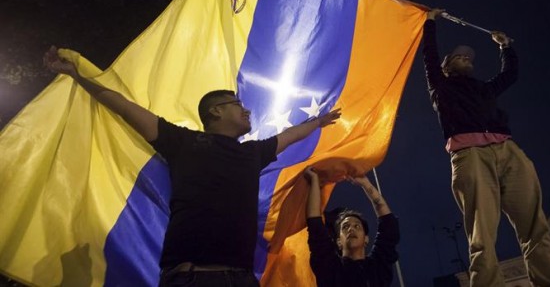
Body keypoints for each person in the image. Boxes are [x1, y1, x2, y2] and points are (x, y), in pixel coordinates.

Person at [43, 46, 341, 287]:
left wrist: (318, 122)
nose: (246, 109)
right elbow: (123, 107)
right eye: (237, 104)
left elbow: (289, 136)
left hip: (240, 278)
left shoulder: (254, 153)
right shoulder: (181, 142)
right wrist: (78, 76)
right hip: (190, 277)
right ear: (216, 111)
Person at [422, 9, 550, 286]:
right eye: (459, 56)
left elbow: (510, 74)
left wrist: (506, 47)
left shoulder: (484, 89)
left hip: (508, 151)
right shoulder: (440, 85)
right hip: (471, 156)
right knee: (482, 235)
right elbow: (429, 57)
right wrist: (430, 22)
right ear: (446, 66)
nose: (466, 57)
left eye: (469, 57)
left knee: (535, 227)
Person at [304, 167, 399, 287]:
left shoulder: (378, 267)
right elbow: (314, 222)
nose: (351, 229)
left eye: (357, 226)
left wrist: (366, 183)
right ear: (339, 241)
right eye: (345, 227)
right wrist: (314, 180)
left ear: (366, 239)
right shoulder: (330, 267)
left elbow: (388, 225)